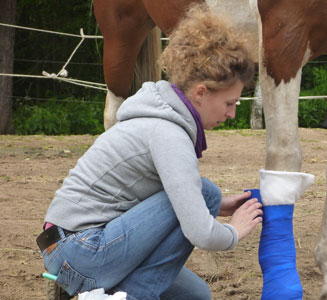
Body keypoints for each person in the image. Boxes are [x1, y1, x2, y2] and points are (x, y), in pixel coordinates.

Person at [36, 4, 262, 300]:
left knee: (195, 296)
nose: (232, 113)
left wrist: (220, 205)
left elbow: (148, 193)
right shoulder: (168, 133)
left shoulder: (161, 119)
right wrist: (235, 230)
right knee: (205, 193)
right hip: (80, 250)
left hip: (71, 248)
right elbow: (201, 233)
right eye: (230, 103)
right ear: (201, 93)